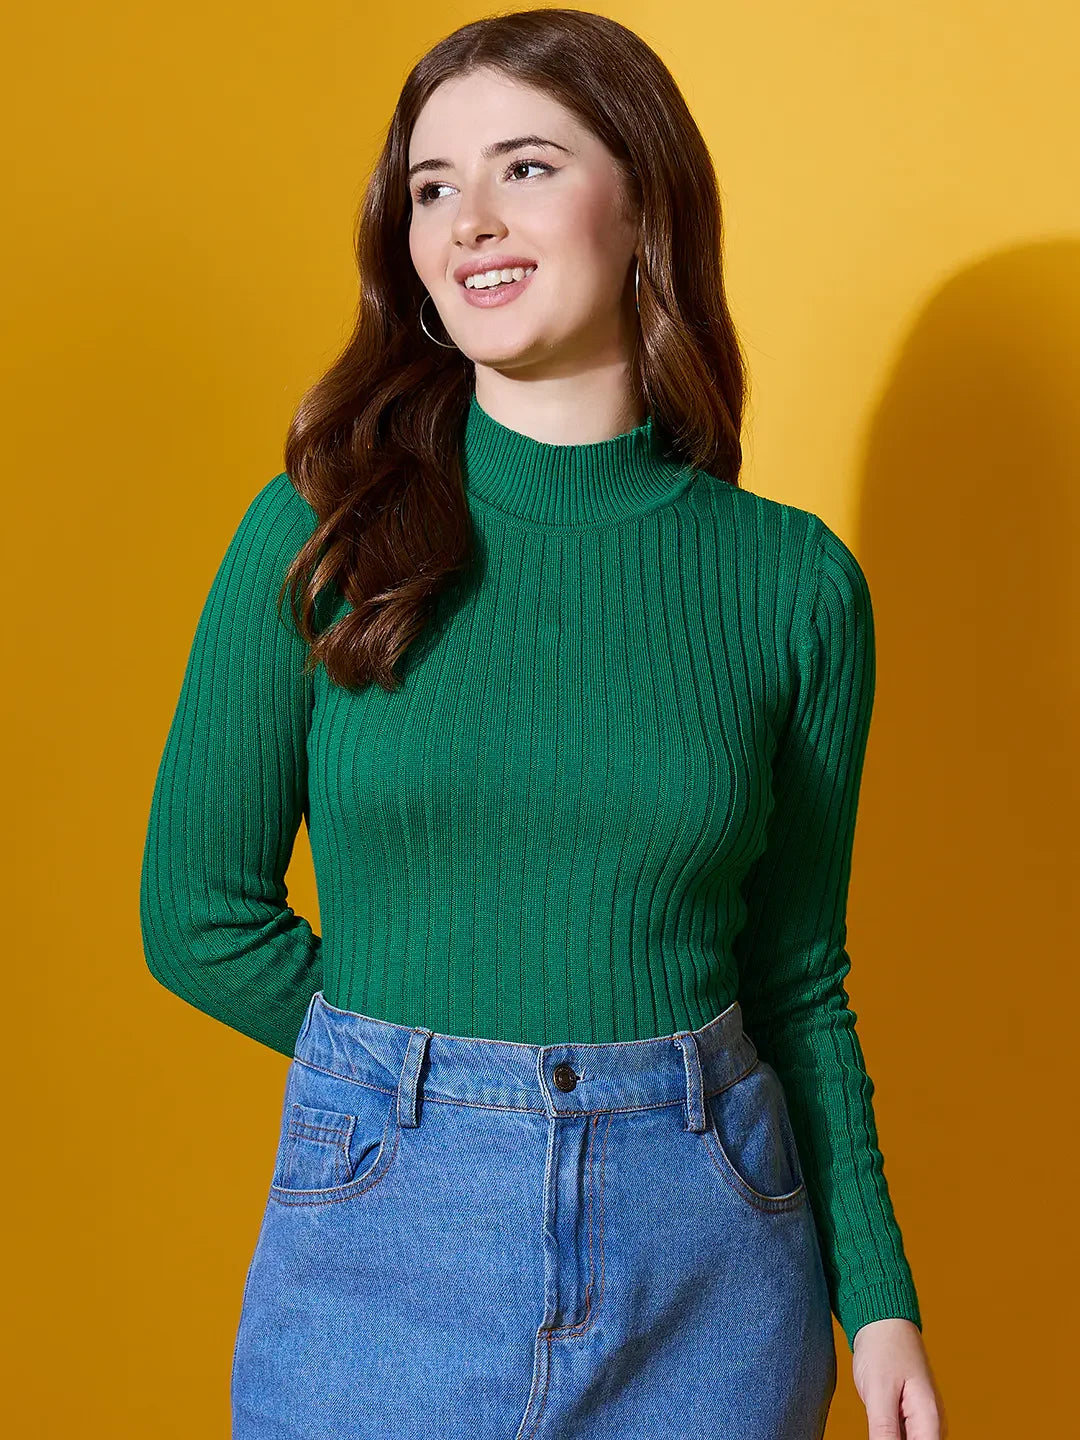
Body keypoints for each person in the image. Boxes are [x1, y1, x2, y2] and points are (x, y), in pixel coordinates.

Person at [140, 9, 946, 1438]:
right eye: (432, 187)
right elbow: (195, 914)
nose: (467, 221)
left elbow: (797, 974)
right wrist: (415, 1090)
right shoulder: (320, 536)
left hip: (710, 1259)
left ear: (642, 196)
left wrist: (877, 1302)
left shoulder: (794, 586)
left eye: (524, 166)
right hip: (383, 1242)